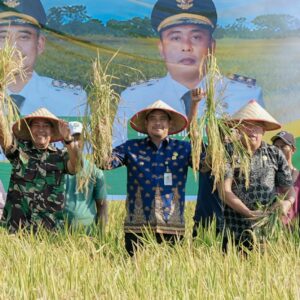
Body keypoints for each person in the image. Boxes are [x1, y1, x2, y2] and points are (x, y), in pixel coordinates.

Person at [113, 0, 264, 147]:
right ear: (161, 48)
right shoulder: (134, 97)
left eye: (196, 37)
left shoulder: (245, 95)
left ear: (212, 46)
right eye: (176, 38)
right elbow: (118, 153)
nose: (186, 47)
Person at [0, 0, 86, 185]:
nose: (12, 47)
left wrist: (69, 141)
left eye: (23, 37)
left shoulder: (70, 100)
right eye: (2, 36)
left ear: (40, 43)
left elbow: (78, 165)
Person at [102, 100, 192, 255]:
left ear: (169, 123)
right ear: (146, 123)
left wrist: (195, 109)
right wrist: (101, 133)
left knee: (171, 275)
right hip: (137, 226)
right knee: (135, 272)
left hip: (171, 225)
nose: (158, 122)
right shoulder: (131, 147)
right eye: (153, 118)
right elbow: (105, 164)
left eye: (162, 118)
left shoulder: (183, 148)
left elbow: (206, 165)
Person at [220, 100, 295, 250]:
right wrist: (247, 212)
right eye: (247, 125)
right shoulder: (228, 152)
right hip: (234, 227)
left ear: (264, 130)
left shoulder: (275, 153)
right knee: (233, 271)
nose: (251, 130)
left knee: (265, 270)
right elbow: (224, 190)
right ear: (239, 128)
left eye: (256, 126)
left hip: (266, 230)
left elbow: (288, 190)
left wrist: (286, 204)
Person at [0, 107, 80, 233]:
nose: (41, 129)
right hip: (16, 229)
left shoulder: (61, 156)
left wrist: (69, 141)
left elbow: (75, 167)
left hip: (50, 230)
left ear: (53, 131)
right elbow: (4, 138)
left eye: (46, 126)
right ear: (30, 130)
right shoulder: (19, 150)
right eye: (36, 125)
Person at [63, 121, 108, 231]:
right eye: (71, 138)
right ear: (64, 140)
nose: (75, 142)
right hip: (57, 231)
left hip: (87, 234)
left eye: (78, 138)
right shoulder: (53, 165)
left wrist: (101, 236)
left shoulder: (95, 172)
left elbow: (102, 206)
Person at [271, 131, 300, 224]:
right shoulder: (268, 176)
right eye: (276, 147)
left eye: (283, 146)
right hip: (271, 232)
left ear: (293, 150)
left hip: (293, 233)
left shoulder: (298, 177)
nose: (279, 150)